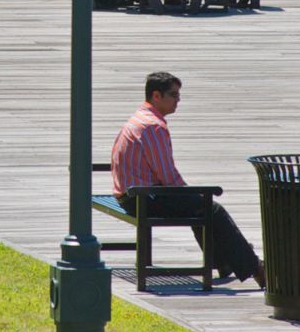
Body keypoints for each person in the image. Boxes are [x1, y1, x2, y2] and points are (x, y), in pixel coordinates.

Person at [110, 72, 265, 288]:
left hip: (129, 196)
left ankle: (223, 262)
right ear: (156, 96)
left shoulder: (139, 118)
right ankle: (256, 268)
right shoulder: (153, 126)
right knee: (211, 209)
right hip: (143, 199)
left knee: (197, 206)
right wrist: (193, 193)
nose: (178, 100)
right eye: (173, 95)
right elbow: (168, 177)